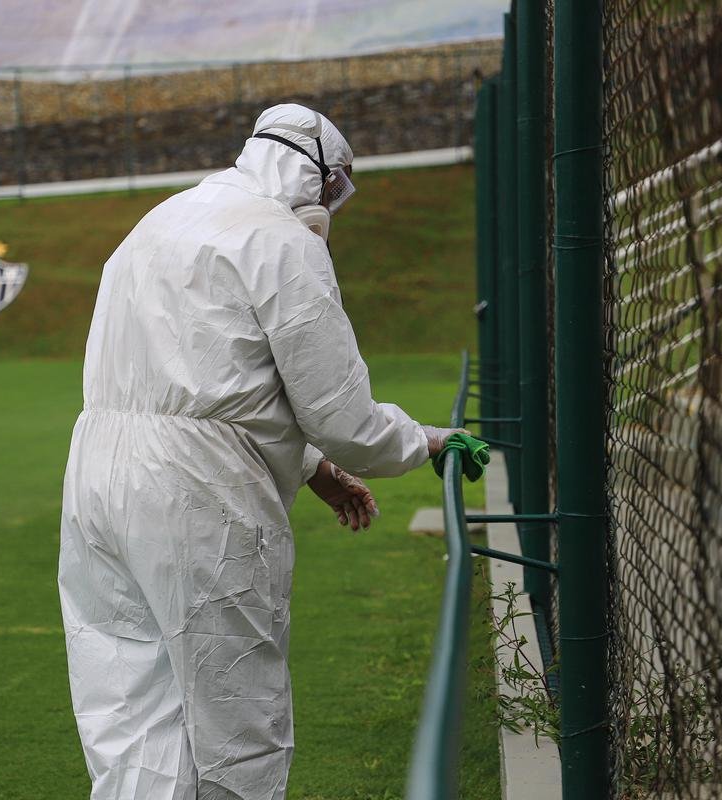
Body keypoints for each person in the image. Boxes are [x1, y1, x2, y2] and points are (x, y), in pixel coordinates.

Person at [58, 103, 461, 800]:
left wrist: (312, 470)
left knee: (131, 711)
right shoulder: (282, 241)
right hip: (200, 493)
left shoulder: (159, 222)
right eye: (338, 191)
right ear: (320, 175)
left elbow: (205, 378)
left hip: (96, 474)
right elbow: (342, 416)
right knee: (238, 721)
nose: (335, 207)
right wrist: (421, 441)